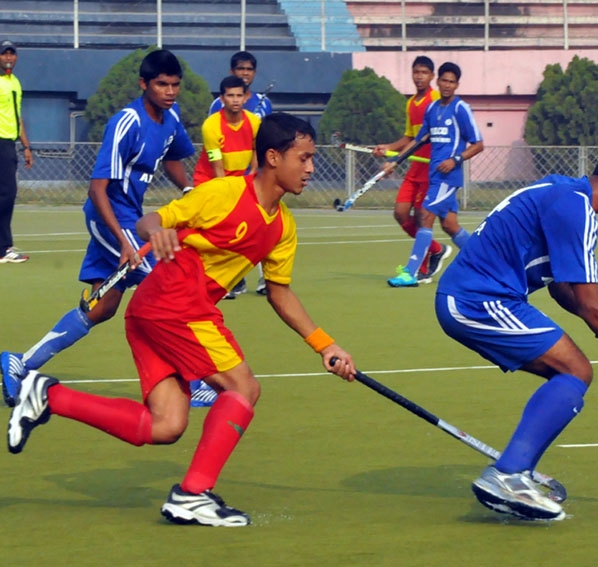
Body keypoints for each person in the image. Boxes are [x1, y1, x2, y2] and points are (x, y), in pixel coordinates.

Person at [6, 112, 357, 527]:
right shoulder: (224, 193)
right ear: (273, 157)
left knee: (165, 425)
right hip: (177, 305)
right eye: (304, 158)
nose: (312, 168)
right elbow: (151, 219)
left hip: (152, 312)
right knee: (243, 388)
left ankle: (46, 395)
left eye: (313, 158)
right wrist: (158, 232)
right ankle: (193, 495)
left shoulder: (283, 227)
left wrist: (325, 345)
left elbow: (278, 291)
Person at [434, 134, 598, 521]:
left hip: (482, 297)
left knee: (571, 370)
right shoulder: (576, 208)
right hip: (476, 300)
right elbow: (587, 302)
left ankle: (517, 470)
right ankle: (509, 473)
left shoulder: (563, 191)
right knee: (575, 370)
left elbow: (563, 290)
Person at [1, 49, 195, 408]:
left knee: (101, 307)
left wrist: (188, 191)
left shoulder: (172, 118)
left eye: (175, 85)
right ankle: (192, 379)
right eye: (161, 85)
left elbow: (173, 156)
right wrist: (122, 241)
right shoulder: (126, 123)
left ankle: (20, 363)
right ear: (144, 84)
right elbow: (97, 189)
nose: (170, 92)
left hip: (130, 217)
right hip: (108, 216)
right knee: (166, 286)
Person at [189, 74, 262, 407]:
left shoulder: (255, 122)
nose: (234, 100)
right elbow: (219, 177)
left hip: (241, 191)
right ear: (221, 99)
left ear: (246, 97)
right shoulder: (211, 126)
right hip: (213, 193)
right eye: (228, 96)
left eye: (239, 95)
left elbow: (258, 165)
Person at [385, 62, 483, 288]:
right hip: (434, 176)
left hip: (448, 178)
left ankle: (410, 273)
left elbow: (478, 144)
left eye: (452, 81)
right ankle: (487, 262)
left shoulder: (460, 109)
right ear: (437, 81)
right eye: (444, 80)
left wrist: (455, 160)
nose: (447, 85)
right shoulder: (433, 109)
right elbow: (419, 140)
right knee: (450, 225)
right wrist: (394, 161)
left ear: (457, 84)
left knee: (425, 216)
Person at [373, 55, 451, 283]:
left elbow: (430, 136)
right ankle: (436, 249)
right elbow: (411, 137)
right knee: (400, 213)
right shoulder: (410, 103)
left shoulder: (436, 99)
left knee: (422, 218)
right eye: (416, 72)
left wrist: (397, 157)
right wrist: (389, 148)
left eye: (424, 73)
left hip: (432, 170)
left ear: (432, 77)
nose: (419, 77)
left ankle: (420, 267)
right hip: (415, 167)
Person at [209, 51, 272, 298]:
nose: (245, 73)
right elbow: (215, 141)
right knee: (230, 227)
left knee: (263, 224)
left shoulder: (263, 103)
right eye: (240, 69)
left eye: (249, 69)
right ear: (232, 71)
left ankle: (266, 279)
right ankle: (234, 279)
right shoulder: (218, 104)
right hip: (228, 175)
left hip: (258, 173)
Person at [0, 39, 32, 264]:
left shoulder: (15, 83)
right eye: (4, 54)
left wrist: (26, 146)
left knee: (7, 194)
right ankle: (4, 248)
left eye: (12, 54)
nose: (8, 58)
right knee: (7, 193)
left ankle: (3, 246)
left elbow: (17, 116)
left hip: (9, 144)